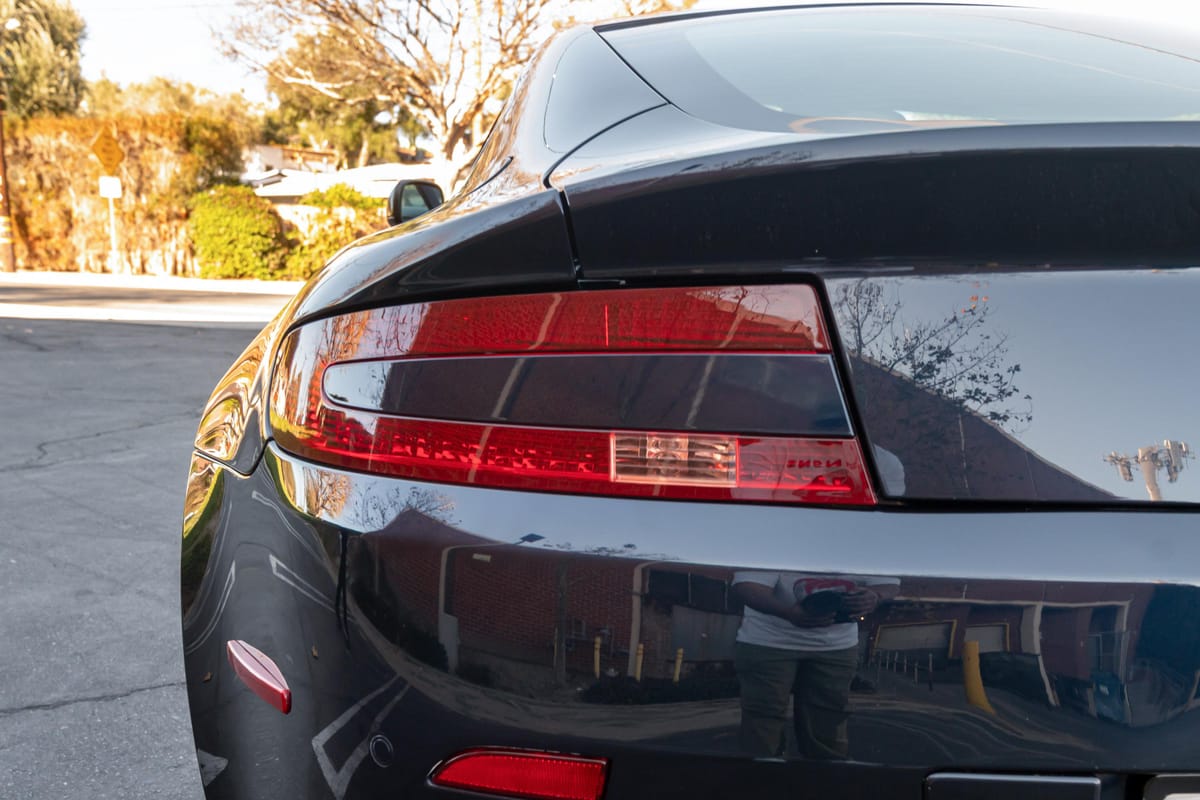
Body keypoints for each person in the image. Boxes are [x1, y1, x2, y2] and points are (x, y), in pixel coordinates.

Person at [732, 571, 899, 759]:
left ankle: (825, 773)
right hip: (769, 641)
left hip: (836, 646)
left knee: (828, 720)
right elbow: (747, 586)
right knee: (763, 717)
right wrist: (787, 613)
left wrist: (874, 596)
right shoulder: (773, 548)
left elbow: (888, 582)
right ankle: (762, 772)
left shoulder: (864, 550)